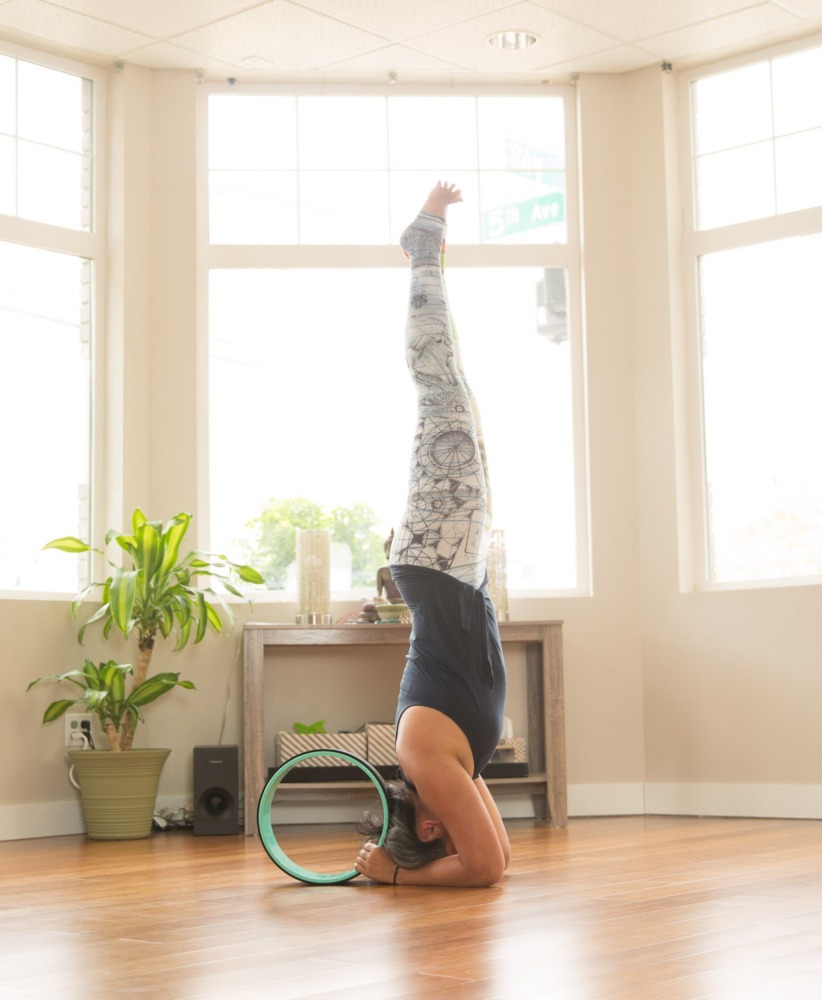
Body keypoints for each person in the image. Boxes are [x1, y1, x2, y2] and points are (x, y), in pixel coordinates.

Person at [355, 182, 510, 887]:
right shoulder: (446, 765)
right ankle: (426, 257)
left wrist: (397, 878)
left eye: (438, 841)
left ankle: (422, 253)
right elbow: (499, 859)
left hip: (436, 560)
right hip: (452, 566)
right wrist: (434, 866)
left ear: (426, 825)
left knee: (440, 387)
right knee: (458, 398)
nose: (457, 835)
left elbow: (479, 870)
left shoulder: (423, 758)